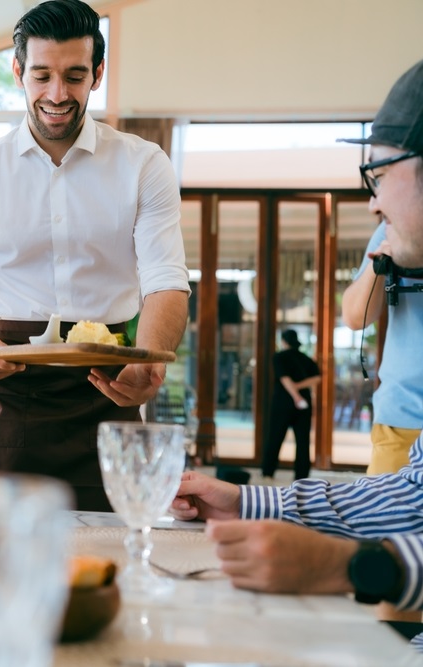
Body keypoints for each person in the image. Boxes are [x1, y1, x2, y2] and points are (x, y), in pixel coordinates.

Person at [171, 58, 423, 607]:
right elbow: (414, 496)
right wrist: (248, 502)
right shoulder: (391, 248)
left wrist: (352, 568)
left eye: (379, 179)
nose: (374, 203)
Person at [0, 0, 189, 509]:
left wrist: (147, 363)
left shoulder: (144, 165)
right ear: (19, 72)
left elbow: (166, 283)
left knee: (110, 559)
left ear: (97, 74)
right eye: (42, 75)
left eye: (74, 75)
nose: (57, 94)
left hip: (110, 384)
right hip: (11, 390)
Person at [341, 221, 423, 474]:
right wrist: (378, 265)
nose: (372, 203)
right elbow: (355, 317)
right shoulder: (393, 226)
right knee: (382, 514)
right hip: (405, 415)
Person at [261, 329, 321, 481]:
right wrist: (300, 392)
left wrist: (295, 395)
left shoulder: (279, 357)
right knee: (303, 440)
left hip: (283, 402)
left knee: (275, 436)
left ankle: (268, 472)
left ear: (283, 341)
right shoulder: (307, 359)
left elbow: (284, 379)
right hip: (304, 404)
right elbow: (317, 379)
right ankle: (302, 476)